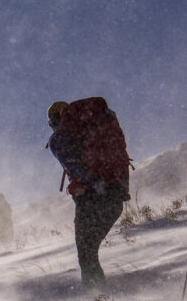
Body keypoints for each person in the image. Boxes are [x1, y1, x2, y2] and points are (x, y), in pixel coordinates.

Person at [47, 98, 130, 288]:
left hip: (92, 200)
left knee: (86, 254)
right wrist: (110, 187)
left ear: (55, 121)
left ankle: (96, 300)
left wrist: (95, 185)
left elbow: (75, 168)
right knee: (90, 251)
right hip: (115, 196)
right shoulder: (93, 129)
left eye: (51, 123)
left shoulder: (59, 140)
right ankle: (101, 298)